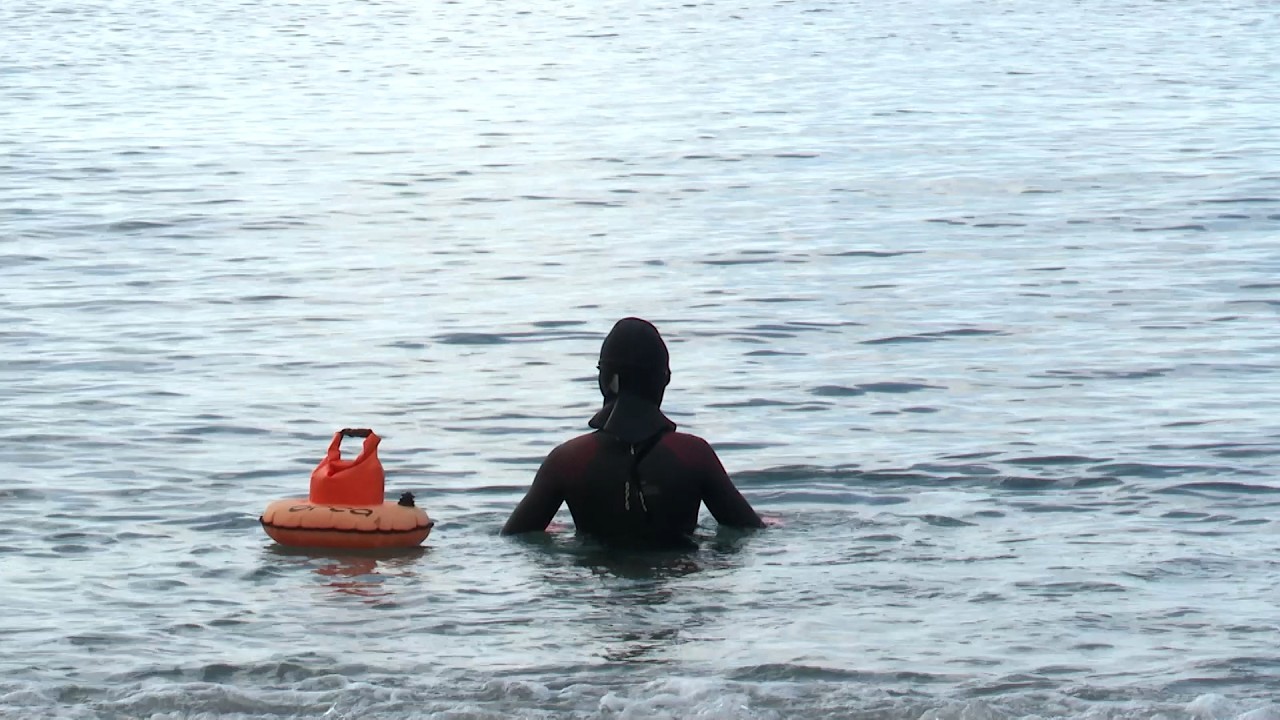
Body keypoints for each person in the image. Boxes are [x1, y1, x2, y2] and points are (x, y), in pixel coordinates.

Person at [501, 317, 764, 546]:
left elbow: (515, 537)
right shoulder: (694, 455)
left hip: (597, 587)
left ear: (604, 380)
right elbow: (748, 530)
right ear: (664, 379)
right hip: (674, 583)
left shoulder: (567, 460)